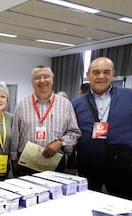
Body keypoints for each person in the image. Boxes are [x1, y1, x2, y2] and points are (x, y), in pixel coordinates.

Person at [72, 57, 132, 199]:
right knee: (88, 203)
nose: (101, 76)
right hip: (88, 163)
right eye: (96, 72)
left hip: (122, 164)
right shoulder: (76, 103)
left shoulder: (129, 96)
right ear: (88, 75)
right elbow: (73, 132)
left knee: (123, 207)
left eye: (106, 72)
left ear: (113, 73)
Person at [10, 65, 81, 176]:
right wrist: (13, 160)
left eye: (46, 76)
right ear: (32, 81)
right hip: (26, 164)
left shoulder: (65, 104)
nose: (42, 80)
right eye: (37, 77)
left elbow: (75, 133)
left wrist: (60, 142)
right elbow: (15, 135)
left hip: (55, 164)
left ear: (52, 79)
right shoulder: (21, 104)